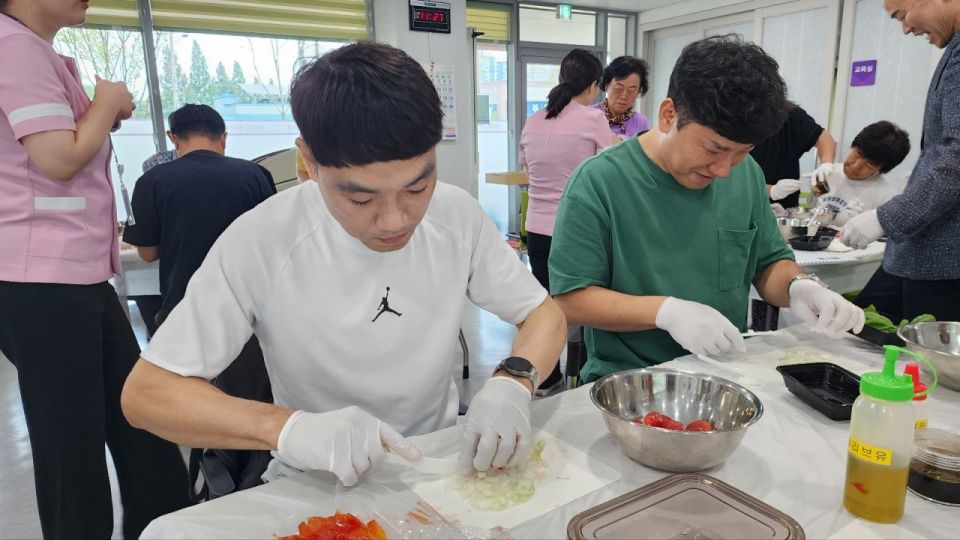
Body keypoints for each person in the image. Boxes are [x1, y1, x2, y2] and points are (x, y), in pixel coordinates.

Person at [120, 41, 567, 488]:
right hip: (314, 481)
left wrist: (514, 380)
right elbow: (147, 394)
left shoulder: (457, 215)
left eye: (417, 187)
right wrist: (288, 428)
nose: (395, 220)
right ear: (308, 161)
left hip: (438, 465)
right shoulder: (263, 238)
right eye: (360, 197)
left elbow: (542, 313)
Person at [548, 36, 865, 383]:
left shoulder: (746, 175)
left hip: (725, 373)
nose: (724, 170)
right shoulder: (599, 182)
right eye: (713, 149)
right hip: (629, 380)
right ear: (669, 115)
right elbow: (572, 298)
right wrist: (664, 312)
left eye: (742, 151)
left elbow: (768, 262)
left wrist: (799, 287)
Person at [0, 1, 192, 538]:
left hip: (74, 276)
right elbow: (60, 159)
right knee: (72, 446)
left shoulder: (33, 50)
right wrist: (105, 104)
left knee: (140, 420)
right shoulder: (13, 45)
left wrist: (99, 107)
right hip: (42, 278)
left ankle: (165, 527)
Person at [840, 0, 960, 322]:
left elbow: (957, 158)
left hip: (944, 259)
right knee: (860, 324)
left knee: (924, 363)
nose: (906, 28)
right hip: (919, 251)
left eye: (902, 16)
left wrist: (886, 218)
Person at [122, 104, 276, 324]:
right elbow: (270, 241)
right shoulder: (256, 174)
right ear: (223, 138)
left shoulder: (152, 181)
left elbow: (147, 254)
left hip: (185, 307)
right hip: (248, 307)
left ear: (173, 138)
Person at [519, 48, 614, 395]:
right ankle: (585, 378)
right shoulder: (592, 119)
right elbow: (611, 168)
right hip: (577, 231)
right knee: (586, 308)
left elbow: (527, 167)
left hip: (538, 230)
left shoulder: (534, 119)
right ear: (594, 85)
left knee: (543, 307)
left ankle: (547, 377)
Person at [810, 121, 909, 227]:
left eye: (870, 164)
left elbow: (885, 237)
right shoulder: (828, 173)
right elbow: (813, 207)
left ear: (882, 169)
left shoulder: (886, 197)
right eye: (858, 154)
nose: (855, 166)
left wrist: (866, 224)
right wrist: (815, 186)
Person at [753, 103, 837, 208]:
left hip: (787, 209)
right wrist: (771, 191)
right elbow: (731, 183)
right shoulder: (735, 122)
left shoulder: (789, 115)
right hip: (743, 206)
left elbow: (823, 138)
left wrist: (826, 163)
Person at [592, 55, 650, 139]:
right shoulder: (590, 115)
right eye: (618, 88)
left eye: (631, 91)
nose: (624, 96)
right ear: (607, 85)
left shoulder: (642, 123)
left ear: (638, 92)